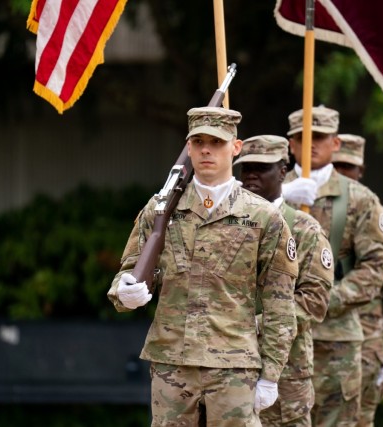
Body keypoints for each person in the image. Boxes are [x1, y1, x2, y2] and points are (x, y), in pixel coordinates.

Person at [108, 107, 299, 426]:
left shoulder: (263, 217)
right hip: (172, 363)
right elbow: (130, 268)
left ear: (235, 148)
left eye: (216, 142)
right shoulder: (160, 209)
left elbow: (280, 303)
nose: (206, 149)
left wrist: (271, 373)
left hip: (234, 366)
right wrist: (124, 292)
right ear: (188, 147)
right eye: (198, 142)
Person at [282, 106, 383, 427]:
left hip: (336, 339)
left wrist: (325, 302)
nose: (311, 144)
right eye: (303, 137)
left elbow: (374, 269)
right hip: (278, 336)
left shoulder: (359, 199)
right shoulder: (269, 195)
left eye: (319, 137)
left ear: (336, 143)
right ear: (290, 144)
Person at [235, 134, 334, 427]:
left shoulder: (304, 230)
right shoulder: (228, 223)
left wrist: (256, 324)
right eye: (246, 167)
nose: (251, 174)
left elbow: (314, 302)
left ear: (282, 170)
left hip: (286, 374)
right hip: (229, 368)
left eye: (262, 167)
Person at [332, 134, 383, 427]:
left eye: (348, 167)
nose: (342, 175)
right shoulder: (309, 212)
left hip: (367, 344)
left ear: (360, 172)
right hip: (322, 343)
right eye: (335, 166)